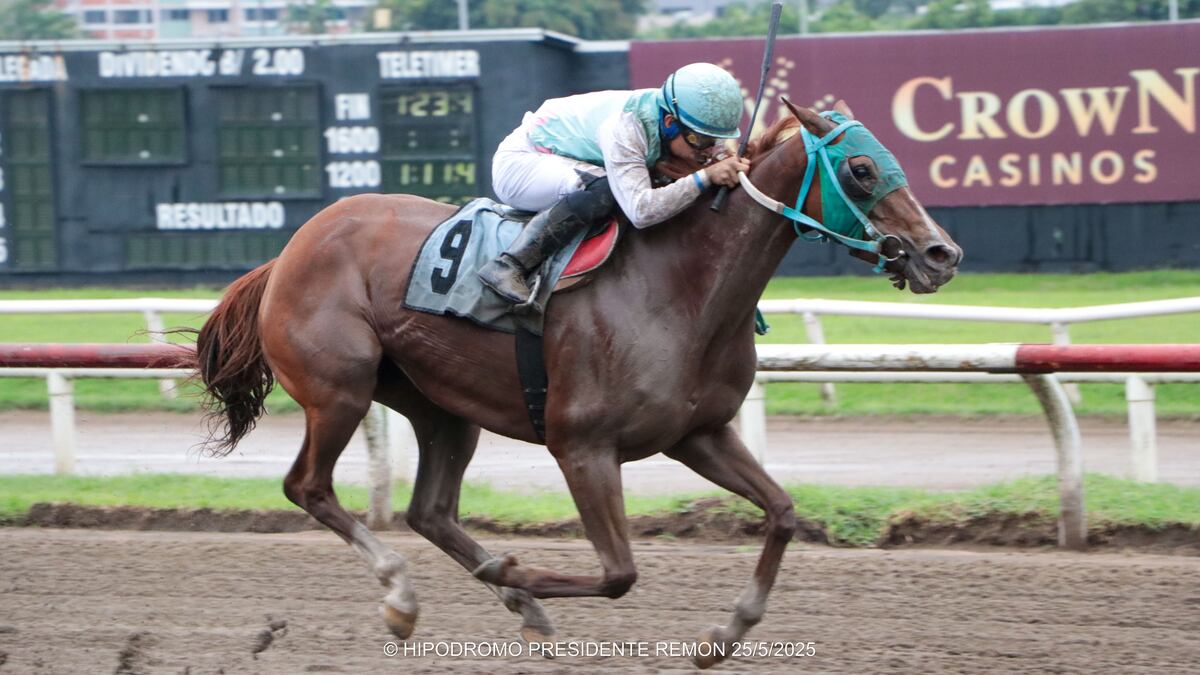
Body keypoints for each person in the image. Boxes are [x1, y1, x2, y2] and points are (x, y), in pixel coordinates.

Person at [479, 62, 751, 309]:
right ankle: (510, 264)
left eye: (714, 139)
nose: (706, 150)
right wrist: (705, 177)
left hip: (566, 155)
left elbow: (713, 157)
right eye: (701, 141)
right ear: (669, 123)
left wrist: (724, 159)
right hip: (523, 163)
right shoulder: (625, 129)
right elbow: (641, 211)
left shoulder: (675, 114)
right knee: (606, 189)